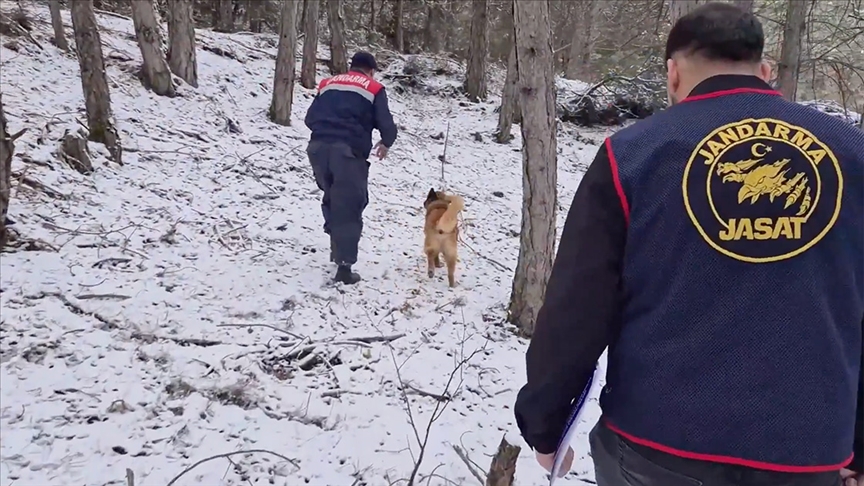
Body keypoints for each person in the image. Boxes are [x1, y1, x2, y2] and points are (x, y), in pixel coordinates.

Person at [514, 3, 864, 486]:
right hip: (808, 452)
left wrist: (547, 426)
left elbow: (578, 303)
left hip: (659, 446)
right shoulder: (854, 156)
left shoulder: (633, 155)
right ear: (764, 73)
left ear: (673, 74)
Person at [304, 51, 398, 284]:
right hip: (347, 154)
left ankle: (335, 235)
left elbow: (309, 118)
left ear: (351, 67)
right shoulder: (374, 88)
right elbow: (386, 124)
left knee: (333, 196)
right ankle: (344, 269)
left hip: (317, 150)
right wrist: (386, 141)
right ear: (371, 70)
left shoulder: (327, 83)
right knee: (349, 206)